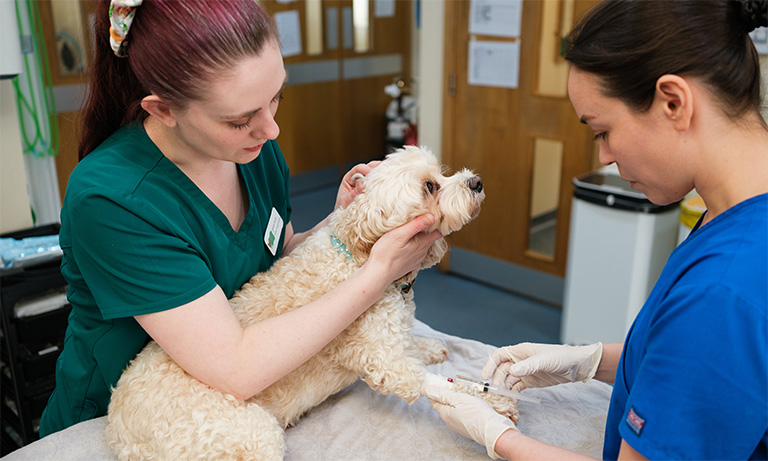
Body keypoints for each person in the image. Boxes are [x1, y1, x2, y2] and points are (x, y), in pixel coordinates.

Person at [39, 0, 442, 437]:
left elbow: (275, 257)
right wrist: (378, 274)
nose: (271, 130)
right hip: (133, 422)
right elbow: (235, 366)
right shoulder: (113, 200)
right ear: (163, 110)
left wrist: (340, 222)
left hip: (235, 404)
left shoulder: (254, 151)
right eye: (240, 119)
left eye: (276, 98)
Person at [426, 0, 768, 459]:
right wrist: (591, 361)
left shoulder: (723, 289)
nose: (604, 156)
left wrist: (500, 438)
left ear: (673, 102)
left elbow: (709, 331)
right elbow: (705, 363)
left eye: (601, 131)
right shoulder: (737, 213)